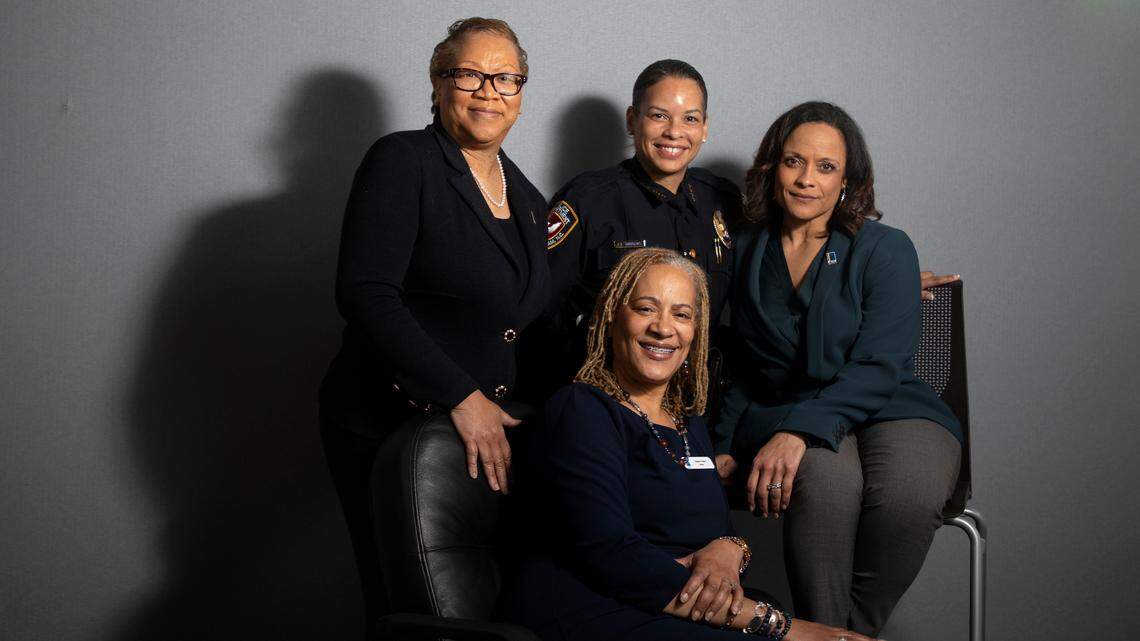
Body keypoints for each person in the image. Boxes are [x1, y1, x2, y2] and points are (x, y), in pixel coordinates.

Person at [502, 247, 877, 641]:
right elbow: (610, 554)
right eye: (646, 308)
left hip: (676, 606)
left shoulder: (688, 424)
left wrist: (730, 548)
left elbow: (718, 533)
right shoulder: (582, 409)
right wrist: (784, 626)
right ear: (613, 314)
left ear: (695, 332)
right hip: (591, 606)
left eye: (681, 314)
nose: (664, 328)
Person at [318, 17, 550, 636]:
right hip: (388, 422)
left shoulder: (528, 198)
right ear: (438, 80)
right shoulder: (404, 160)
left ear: (522, 91)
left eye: (505, 78)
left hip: (482, 436)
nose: (488, 92)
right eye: (469, 74)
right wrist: (461, 395)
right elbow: (366, 293)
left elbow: (526, 323)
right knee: (408, 607)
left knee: (485, 610)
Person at [712, 102, 963, 636]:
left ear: (848, 179)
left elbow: (880, 364)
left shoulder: (885, 248)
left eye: (825, 167)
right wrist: (727, 442)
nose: (806, 180)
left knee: (908, 495)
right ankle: (825, 631)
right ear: (771, 169)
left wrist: (799, 433)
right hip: (788, 408)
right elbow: (743, 364)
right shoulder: (747, 249)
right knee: (825, 485)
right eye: (793, 162)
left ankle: (849, 634)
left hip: (892, 406)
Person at [529, 59, 742, 406]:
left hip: (699, 406)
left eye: (690, 118)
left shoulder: (722, 201)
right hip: (607, 400)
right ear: (632, 120)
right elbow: (542, 315)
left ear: (704, 127)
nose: (675, 132)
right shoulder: (588, 201)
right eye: (659, 115)